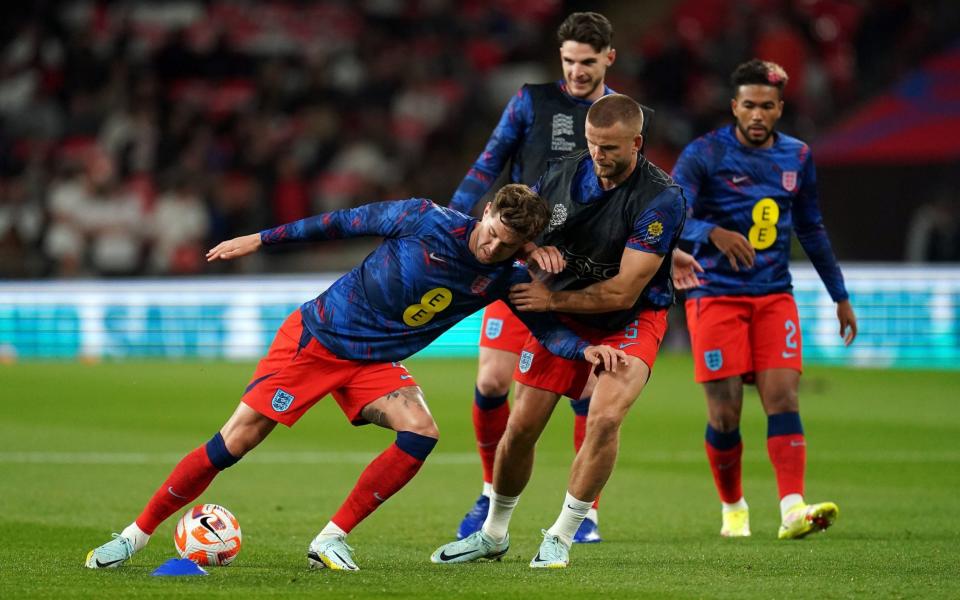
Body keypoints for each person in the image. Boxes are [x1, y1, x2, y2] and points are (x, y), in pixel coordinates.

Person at [84, 184, 628, 572]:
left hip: (373, 362)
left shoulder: (503, 277)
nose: (492, 247)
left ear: (522, 247)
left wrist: (588, 350)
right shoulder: (422, 218)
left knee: (421, 431)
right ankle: (133, 537)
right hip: (317, 338)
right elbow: (338, 223)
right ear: (484, 214)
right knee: (237, 440)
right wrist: (260, 239)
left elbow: (547, 328)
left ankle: (331, 538)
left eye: (507, 245)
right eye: (491, 234)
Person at [431, 93, 686, 568]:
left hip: (631, 318)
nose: (598, 156)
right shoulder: (562, 174)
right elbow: (525, 235)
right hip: (566, 312)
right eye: (592, 144)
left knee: (605, 416)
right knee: (522, 426)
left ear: (637, 143)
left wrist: (551, 299)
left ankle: (563, 535)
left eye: (610, 148)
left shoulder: (661, 198)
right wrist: (532, 250)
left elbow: (625, 291)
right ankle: (493, 534)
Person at [449, 11, 653, 544]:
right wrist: (449, 225)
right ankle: (491, 492)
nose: (577, 72)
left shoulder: (623, 120)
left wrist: (670, 250)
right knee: (493, 384)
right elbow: (486, 164)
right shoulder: (530, 102)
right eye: (568, 61)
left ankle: (586, 512)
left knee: (588, 392)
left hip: (583, 274)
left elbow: (644, 201)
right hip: (521, 260)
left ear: (609, 57)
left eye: (587, 62)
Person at [670, 59, 858, 539]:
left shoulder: (798, 157)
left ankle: (792, 508)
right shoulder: (704, 154)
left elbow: (812, 228)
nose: (757, 114)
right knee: (726, 412)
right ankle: (733, 506)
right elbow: (668, 216)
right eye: (749, 105)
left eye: (767, 107)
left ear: (779, 109)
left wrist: (839, 295)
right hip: (713, 295)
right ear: (734, 106)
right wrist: (712, 233)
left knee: (783, 397)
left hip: (774, 295)